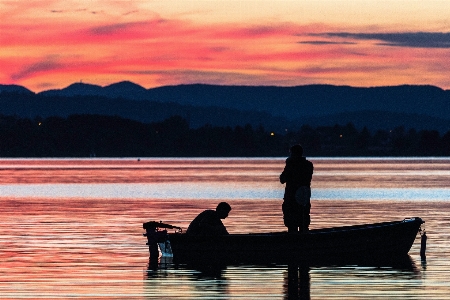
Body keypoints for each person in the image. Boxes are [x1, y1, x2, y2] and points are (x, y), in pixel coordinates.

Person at [280, 145, 314, 233]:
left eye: (291, 153)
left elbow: (282, 179)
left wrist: (288, 164)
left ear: (293, 154)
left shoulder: (291, 165)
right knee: (303, 222)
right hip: (304, 198)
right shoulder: (308, 165)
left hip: (291, 198)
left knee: (292, 224)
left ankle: (294, 243)